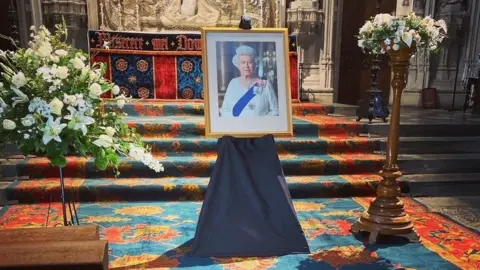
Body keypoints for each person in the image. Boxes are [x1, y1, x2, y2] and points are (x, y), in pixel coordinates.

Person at [219, 45, 279, 117]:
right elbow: (224, 110)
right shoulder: (233, 83)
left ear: (255, 64)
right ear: (239, 65)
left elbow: (276, 110)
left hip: (259, 127)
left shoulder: (265, 85)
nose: (246, 66)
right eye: (243, 62)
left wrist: (260, 122)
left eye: (250, 62)